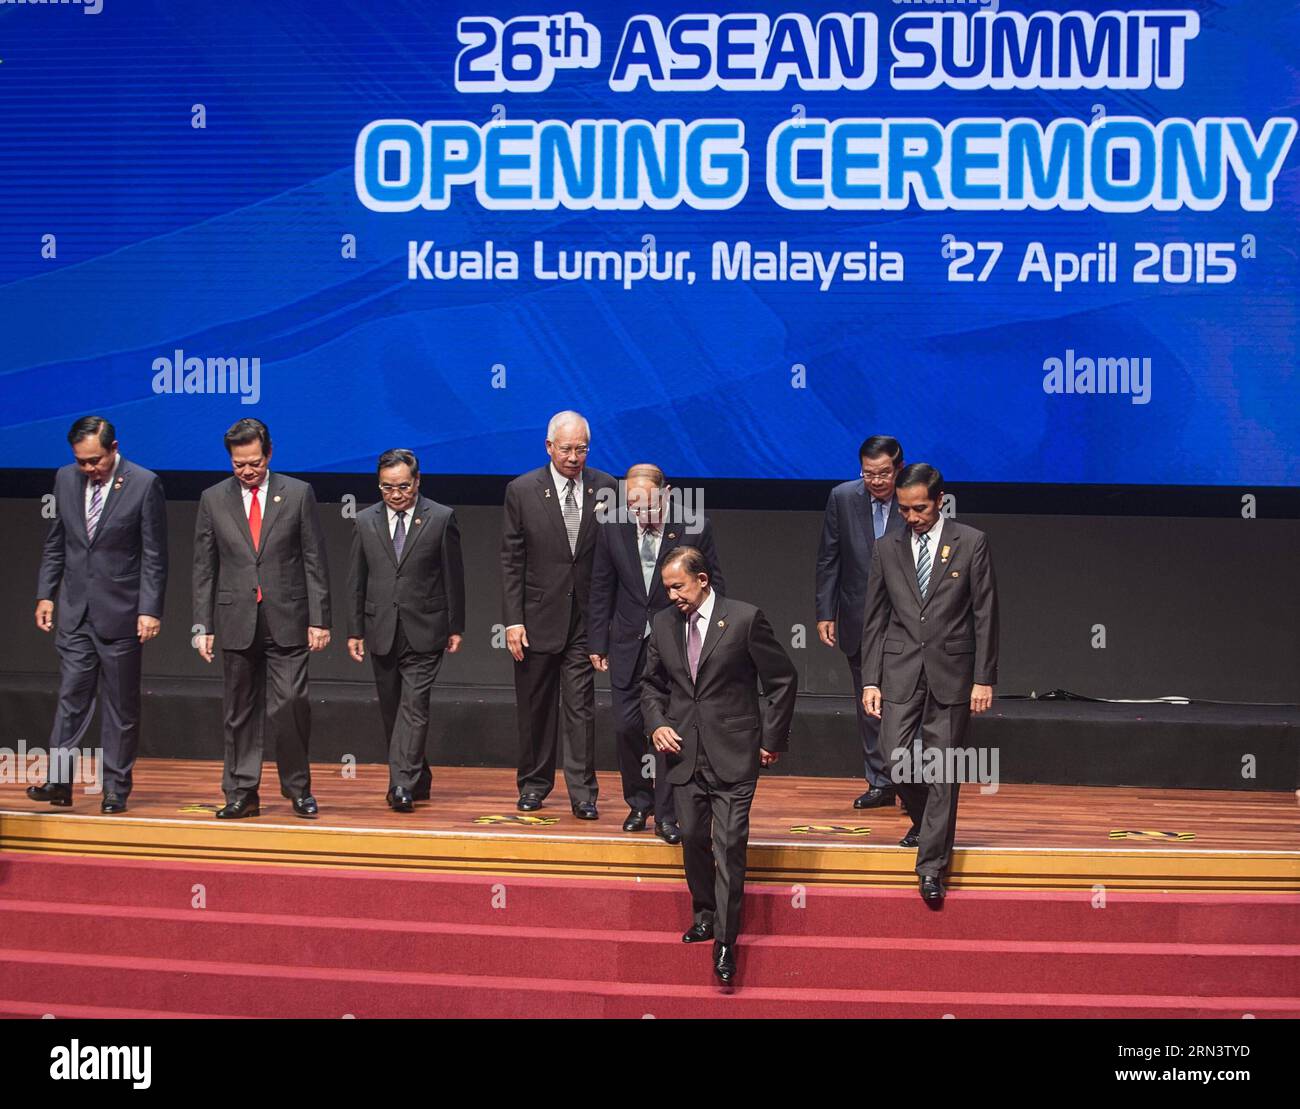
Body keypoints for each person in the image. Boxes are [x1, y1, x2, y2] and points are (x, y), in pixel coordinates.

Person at [641, 547, 797, 984]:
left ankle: (725, 942)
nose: (673, 595)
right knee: (692, 837)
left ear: (703, 580)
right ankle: (705, 912)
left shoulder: (744, 619)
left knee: (728, 846)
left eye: (679, 586)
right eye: (667, 588)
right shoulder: (663, 624)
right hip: (684, 754)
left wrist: (771, 739)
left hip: (734, 752)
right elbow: (651, 685)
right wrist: (656, 724)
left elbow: (783, 678)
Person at [861, 463, 999, 904]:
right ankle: (923, 820)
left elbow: (986, 615)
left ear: (940, 500)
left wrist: (983, 678)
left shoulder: (971, 542)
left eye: (919, 508)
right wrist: (870, 680)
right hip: (899, 669)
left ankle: (931, 865)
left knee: (944, 771)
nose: (912, 516)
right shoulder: (887, 547)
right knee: (892, 755)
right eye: (904, 509)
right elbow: (874, 619)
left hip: (952, 672)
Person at [192, 418, 331, 819]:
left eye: (253, 462)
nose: (247, 471)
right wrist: (203, 625)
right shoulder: (213, 498)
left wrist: (320, 619)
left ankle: (297, 788)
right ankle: (241, 792)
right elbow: (204, 567)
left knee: (290, 705)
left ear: (268, 454)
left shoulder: (298, 493)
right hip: (235, 618)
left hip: (287, 616)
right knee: (238, 712)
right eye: (239, 464)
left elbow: (314, 560)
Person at [30, 416, 167, 813]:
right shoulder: (65, 479)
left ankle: (115, 789)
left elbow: (155, 555)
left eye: (95, 461)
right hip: (75, 611)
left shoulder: (143, 483)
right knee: (71, 698)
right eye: (82, 461)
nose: (89, 468)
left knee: (120, 707)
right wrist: (46, 595)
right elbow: (58, 542)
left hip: (122, 613)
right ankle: (58, 782)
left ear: (114, 448)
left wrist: (149, 609)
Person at [588, 463, 725, 842]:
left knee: (667, 731)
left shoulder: (695, 527)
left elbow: (714, 586)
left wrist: (711, 641)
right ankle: (638, 802)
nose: (639, 514)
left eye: (647, 505)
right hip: (626, 642)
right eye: (632, 505)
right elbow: (601, 587)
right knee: (626, 727)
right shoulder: (612, 525)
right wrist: (597, 641)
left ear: (665, 496)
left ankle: (667, 814)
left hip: (676, 646)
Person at [501, 411, 617, 818]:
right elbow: (511, 561)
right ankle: (534, 785)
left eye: (581, 448)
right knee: (535, 707)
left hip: (585, 620)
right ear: (549, 446)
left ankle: (583, 794)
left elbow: (612, 558)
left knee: (581, 710)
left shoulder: (606, 487)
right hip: (535, 619)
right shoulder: (522, 489)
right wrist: (513, 621)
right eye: (566, 448)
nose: (573, 457)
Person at [347, 449, 465, 812]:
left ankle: (400, 783)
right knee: (393, 709)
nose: (395, 494)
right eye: (387, 487)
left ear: (417, 481)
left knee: (414, 707)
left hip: (426, 627)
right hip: (381, 627)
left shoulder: (441, 518)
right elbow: (357, 579)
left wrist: (455, 625)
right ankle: (418, 776)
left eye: (402, 486)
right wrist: (355, 630)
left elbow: (453, 576)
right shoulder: (365, 521)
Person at [815, 435, 906, 810]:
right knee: (869, 703)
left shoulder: (915, 496)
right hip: (857, 614)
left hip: (907, 620)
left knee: (908, 703)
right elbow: (829, 558)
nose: (877, 481)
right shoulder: (842, 497)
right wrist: (825, 611)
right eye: (869, 474)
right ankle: (880, 781)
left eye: (884, 473)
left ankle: (911, 781)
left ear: (898, 469)